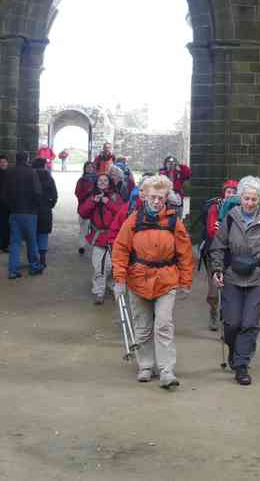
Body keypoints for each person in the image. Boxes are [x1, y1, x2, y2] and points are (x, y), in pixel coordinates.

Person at [111, 175, 194, 389]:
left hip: (166, 280)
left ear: (166, 198)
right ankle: (146, 365)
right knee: (143, 327)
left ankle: (167, 369)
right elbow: (120, 250)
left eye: (161, 198)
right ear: (145, 196)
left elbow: (185, 254)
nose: (157, 201)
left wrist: (185, 282)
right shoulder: (133, 220)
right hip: (138, 280)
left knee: (164, 325)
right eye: (153, 197)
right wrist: (119, 279)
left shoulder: (174, 223)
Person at [209, 176, 260, 386]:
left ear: (259, 199)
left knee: (249, 323)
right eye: (246, 198)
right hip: (233, 277)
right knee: (232, 323)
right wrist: (217, 269)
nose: (250, 203)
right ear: (240, 197)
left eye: (254, 199)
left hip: (258, 279)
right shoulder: (229, 219)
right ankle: (235, 351)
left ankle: (241, 365)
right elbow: (218, 246)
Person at [200, 179, 238, 331]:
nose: (231, 195)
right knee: (214, 288)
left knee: (231, 287)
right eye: (229, 192)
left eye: (235, 192)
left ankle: (227, 315)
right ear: (224, 193)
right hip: (214, 251)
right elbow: (211, 231)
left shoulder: (242, 208)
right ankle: (213, 312)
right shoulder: (215, 209)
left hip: (234, 253)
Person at [78, 173, 122, 304]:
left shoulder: (115, 196)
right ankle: (99, 292)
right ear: (96, 183)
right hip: (98, 237)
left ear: (109, 183)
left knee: (110, 266)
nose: (102, 182)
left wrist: (108, 203)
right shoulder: (92, 196)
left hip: (113, 237)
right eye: (100, 181)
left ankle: (109, 286)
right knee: (98, 266)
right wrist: (93, 202)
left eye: (105, 180)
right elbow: (83, 213)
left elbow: (122, 212)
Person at [1, 151, 42, 279]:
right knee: (31, 241)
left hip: (15, 212)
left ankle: (13, 270)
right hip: (30, 212)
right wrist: (36, 207)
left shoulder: (9, 172)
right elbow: (37, 193)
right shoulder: (32, 172)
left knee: (15, 243)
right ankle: (34, 266)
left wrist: (11, 207)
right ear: (27, 159)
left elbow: (4, 195)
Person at [32, 157, 57, 268]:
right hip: (45, 210)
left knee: (33, 235)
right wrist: (49, 205)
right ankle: (42, 258)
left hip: (32, 210)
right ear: (44, 166)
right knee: (43, 235)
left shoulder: (31, 177)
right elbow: (55, 195)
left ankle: (34, 258)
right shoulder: (49, 178)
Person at [74, 161, 97, 255]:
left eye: (91, 167)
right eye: (87, 167)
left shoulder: (98, 179)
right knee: (84, 228)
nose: (89, 168)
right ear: (85, 168)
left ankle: (96, 245)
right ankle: (82, 246)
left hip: (95, 208)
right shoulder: (82, 180)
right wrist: (87, 193)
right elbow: (77, 193)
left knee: (95, 228)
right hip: (84, 207)